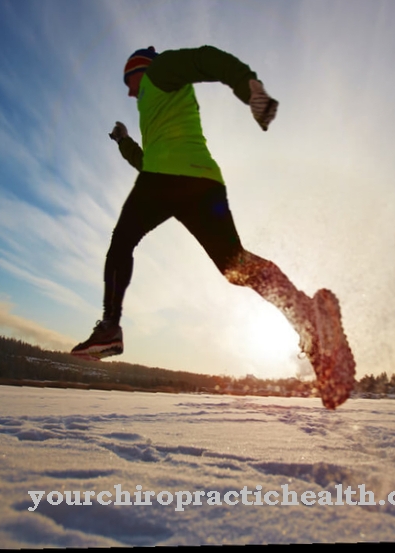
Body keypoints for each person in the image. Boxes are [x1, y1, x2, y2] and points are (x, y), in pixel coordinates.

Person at [71, 45, 355, 409]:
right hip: (196, 183)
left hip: (168, 181)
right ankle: (311, 321)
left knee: (121, 242)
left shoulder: (161, 70)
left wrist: (249, 89)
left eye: (129, 80)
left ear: (141, 69)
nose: (128, 91)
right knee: (235, 266)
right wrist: (125, 142)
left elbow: (206, 59)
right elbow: (148, 160)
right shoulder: (153, 106)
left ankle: (110, 328)